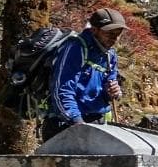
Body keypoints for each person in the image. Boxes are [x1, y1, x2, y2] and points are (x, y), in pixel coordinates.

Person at [42, 8, 126, 141]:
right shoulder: (76, 47)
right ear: (94, 30)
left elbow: (108, 91)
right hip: (66, 124)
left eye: (118, 33)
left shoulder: (110, 55)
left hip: (96, 122)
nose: (114, 38)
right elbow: (62, 89)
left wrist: (113, 93)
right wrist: (77, 122)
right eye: (109, 32)